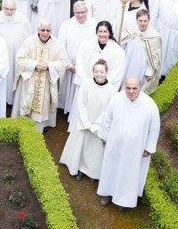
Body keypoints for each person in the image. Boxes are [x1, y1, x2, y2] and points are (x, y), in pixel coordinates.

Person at [93, 76, 161, 208]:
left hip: (135, 150)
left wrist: (149, 148)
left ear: (140, 87)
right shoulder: (116, 99)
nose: (131, 91)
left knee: (128, 173)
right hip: (115, 145)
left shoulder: (150, 105)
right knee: (111, 169)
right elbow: (106, 120)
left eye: (134, 88)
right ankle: (107, 193)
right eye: (128, 88)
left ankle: (123, 201)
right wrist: (104, 139)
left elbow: (154, 128)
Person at [59, 59, 116, 181]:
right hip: (85, 123)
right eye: (96, 71)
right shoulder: (86, 85)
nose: (99, 74)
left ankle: (92, 173)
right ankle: (79, 169)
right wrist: (87, 123)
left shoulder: (111, 90)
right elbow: (81, 104)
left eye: (101, 71)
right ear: (93, 72)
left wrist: (98, 125)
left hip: (99, 126)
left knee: (95, 152)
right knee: (82, 147)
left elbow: (110, 110)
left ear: (106, 72)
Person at [12, 20, 69, 132]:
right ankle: (24, 125)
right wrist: (34, 65)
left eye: (48, 30)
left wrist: (48, 66)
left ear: (51, 31)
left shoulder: (57, 44)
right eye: (42, 30)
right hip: (30, 79)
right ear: (38, 29)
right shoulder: (29, 41)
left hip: (47, 80)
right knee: (27, 101)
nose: (45, 33)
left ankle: (40, 127)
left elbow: (64, 62)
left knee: (43, 103)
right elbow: (19, 59)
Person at [57, 1, 97, 115]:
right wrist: (69, 65)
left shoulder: (94, 24)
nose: (80, 15)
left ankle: (77, 111)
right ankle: (65, 109)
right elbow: (61, 46)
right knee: (67, 89)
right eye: (77, 12)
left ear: (87, 12)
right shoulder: (66, 25)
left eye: (83, 12)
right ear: (73, 12)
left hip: (86, 65)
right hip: (70, 65)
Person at [0, 0, 30, 104]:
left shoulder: (23, 19)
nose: (9, 12)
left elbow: (28, 38)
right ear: (2, 8)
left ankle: (13, 100)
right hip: (2, 54)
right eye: (6, 9)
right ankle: (1, 99)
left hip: (17, 54)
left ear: (16, 9)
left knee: (15, 75)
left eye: (12, 9)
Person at [75, 21, 127, 97]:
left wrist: (103, 85)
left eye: (105, 31)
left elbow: (117, 72)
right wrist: (87, 83)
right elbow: (80, 65)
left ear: (110, 33)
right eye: (100, 31)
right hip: (87, 86)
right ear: (96, 32)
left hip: (106, 90)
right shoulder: (85, 46)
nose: (102, 34)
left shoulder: (118, 51)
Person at [119, 9, 162, 94]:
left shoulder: (154, 36)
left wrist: (150, 71)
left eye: (145, 21)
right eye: (140, 21)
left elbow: (156, 57)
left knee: (137, 88)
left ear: (149, 21)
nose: (142, 23)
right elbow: (122, 47)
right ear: (136, 21)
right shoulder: (130, 31)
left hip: (142, 67)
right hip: (128, 64)